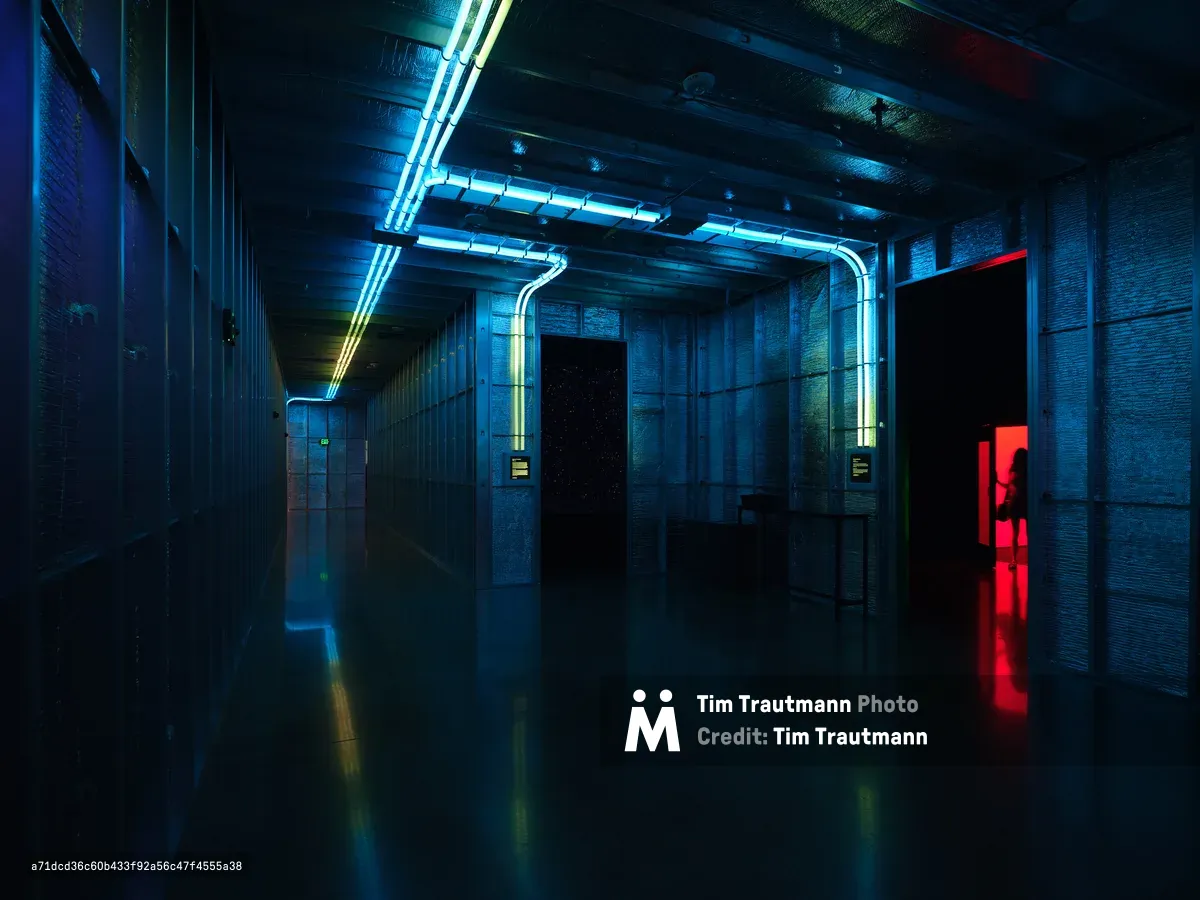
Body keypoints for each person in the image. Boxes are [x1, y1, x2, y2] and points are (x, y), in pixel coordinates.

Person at [996, 447, 1027, 569]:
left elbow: (1009, 486)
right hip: (1027, 502)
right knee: (1031, 533)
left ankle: (1013, 560)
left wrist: (998, 481)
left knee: (1015, 533)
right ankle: (1032, 559)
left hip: (1015, 504)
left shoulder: (1013, 469)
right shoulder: (1030, 469)